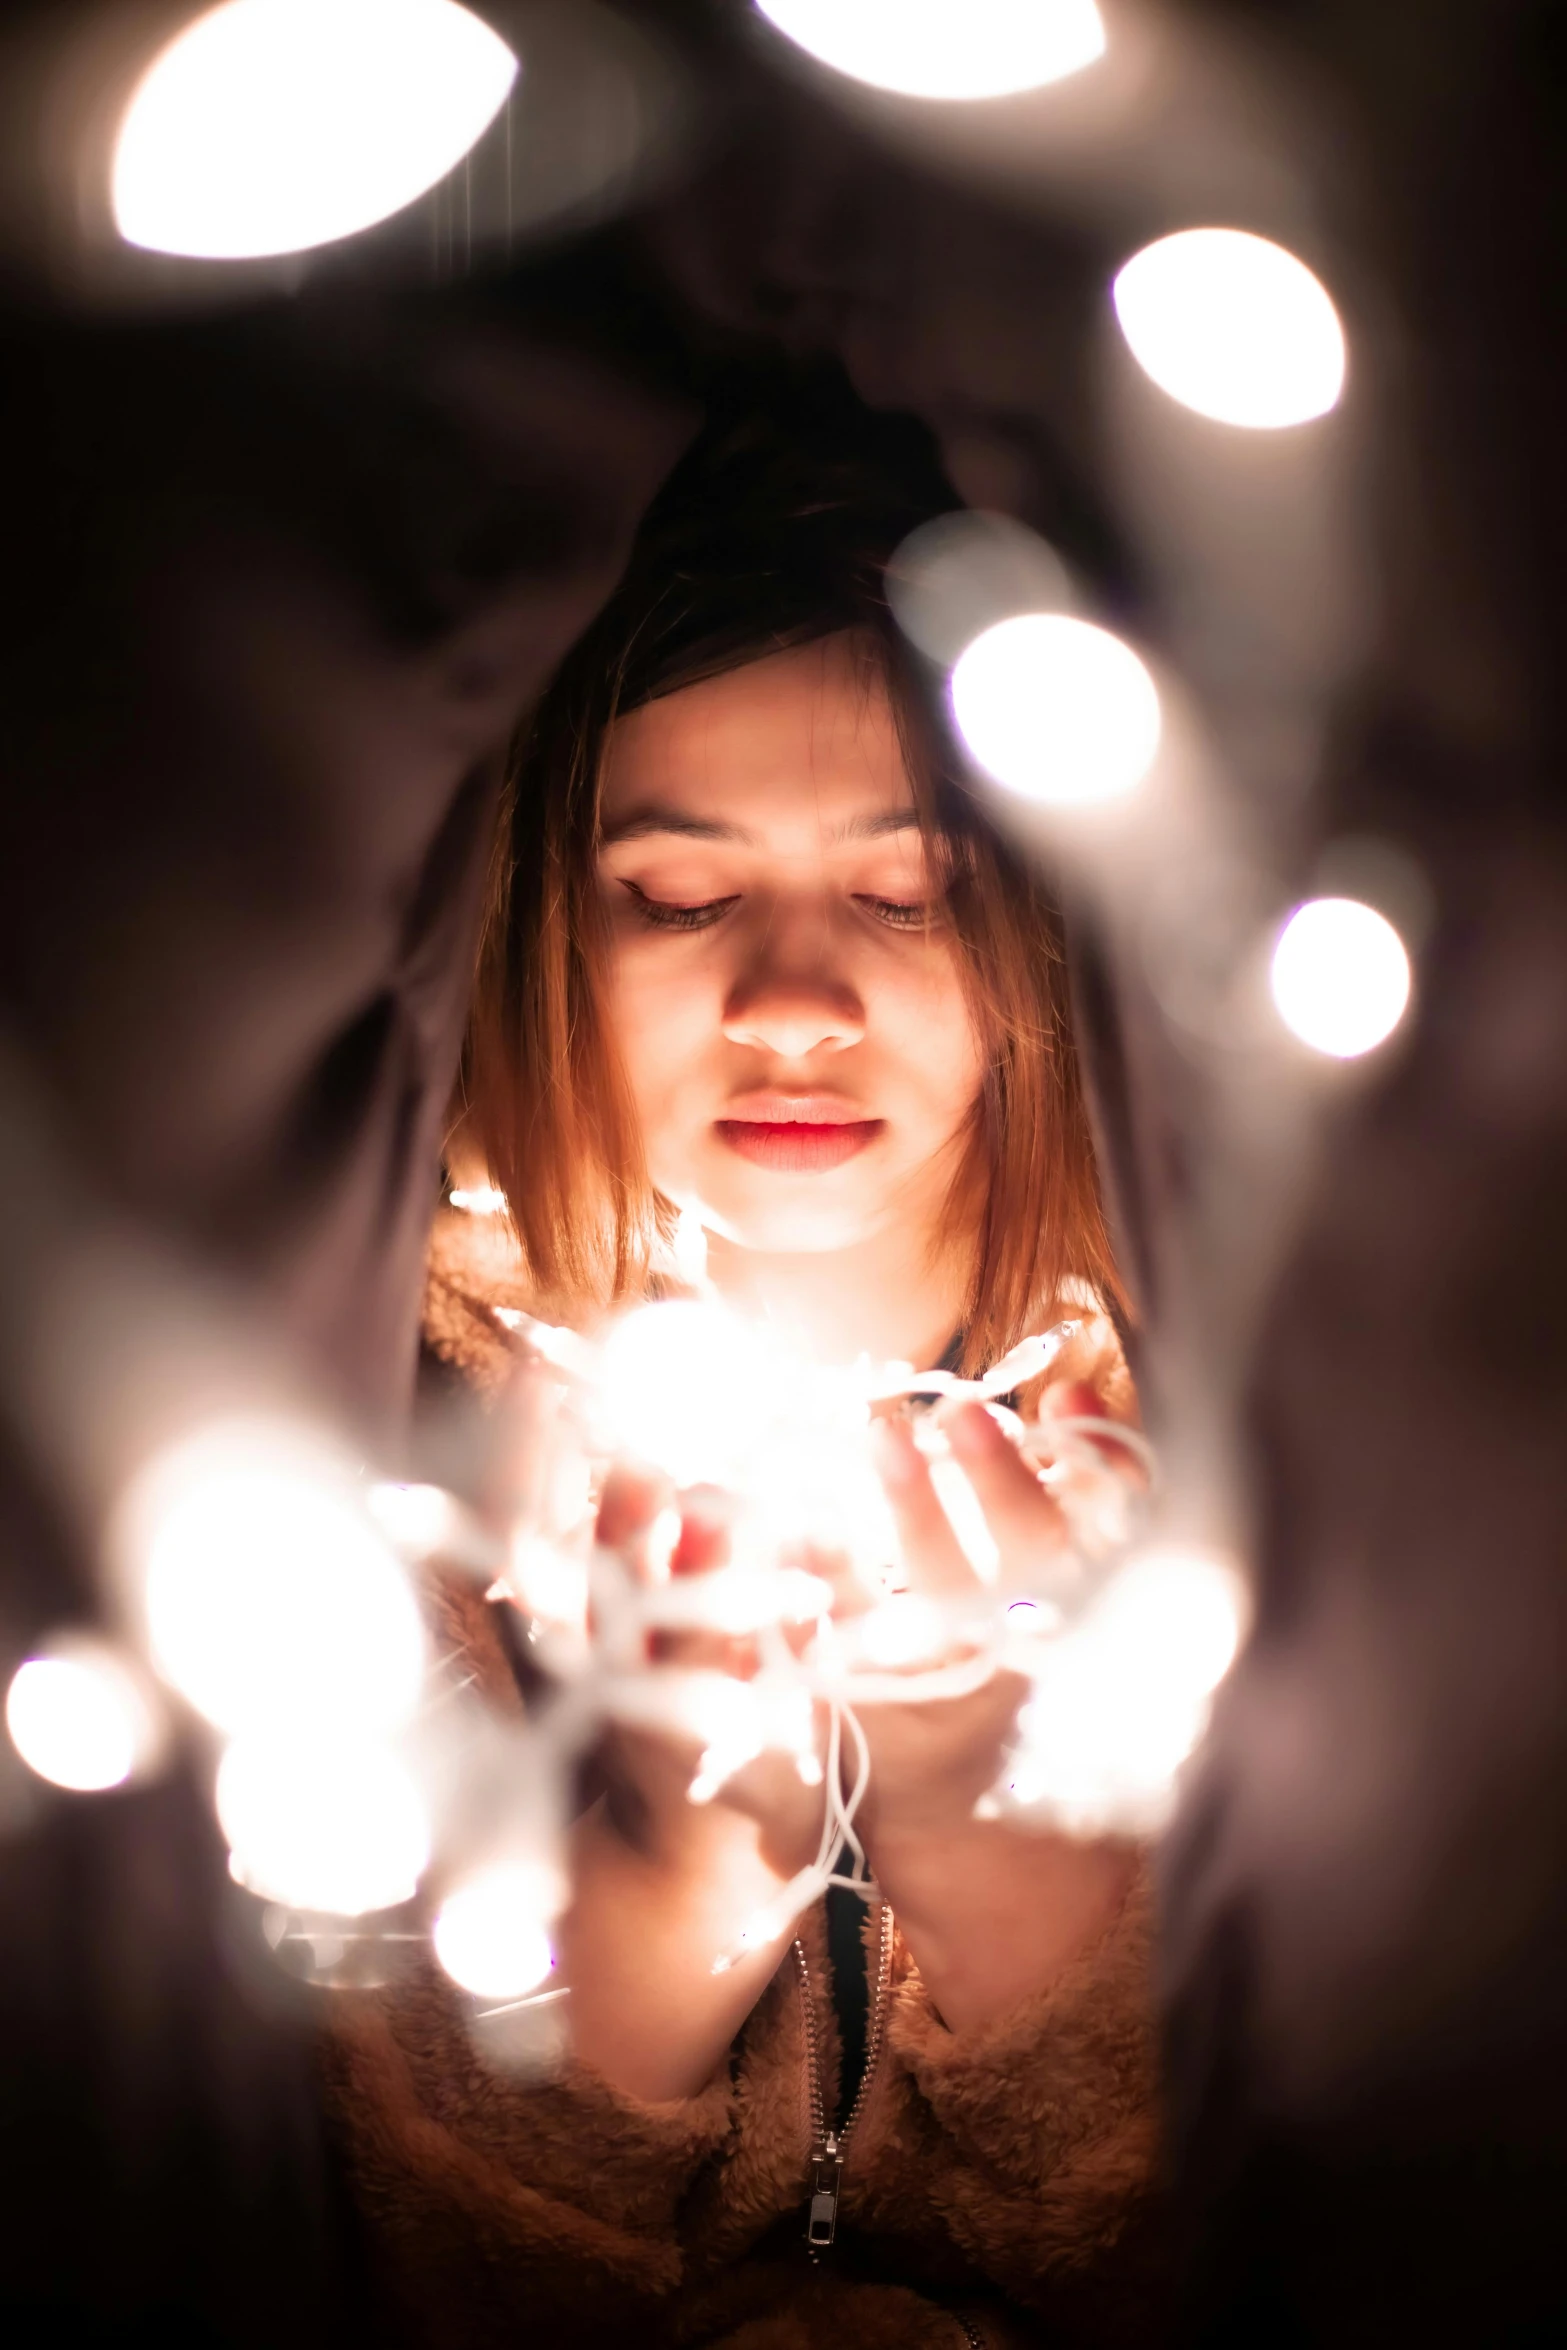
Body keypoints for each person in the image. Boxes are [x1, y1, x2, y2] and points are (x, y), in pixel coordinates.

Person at [324, 399, 1167, 2349]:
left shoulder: (1188, 1431)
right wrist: (687, 1862)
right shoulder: (399, 1460)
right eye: (683, 895)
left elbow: (1206, 2245)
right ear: (543, 917)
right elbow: (449, 2270)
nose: (795, 1001)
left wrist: (970, 1813)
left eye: (908, 887)